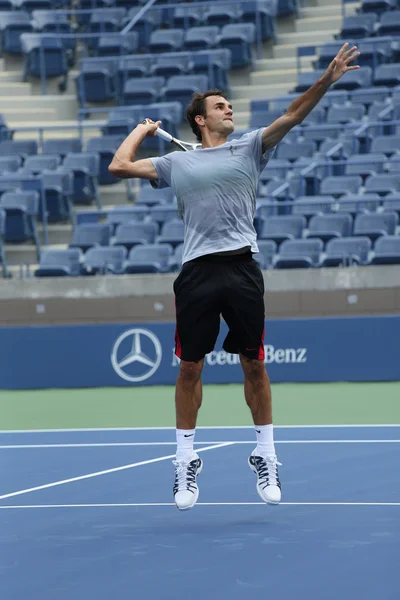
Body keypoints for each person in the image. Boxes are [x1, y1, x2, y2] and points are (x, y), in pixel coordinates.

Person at [109, 42, 360, 511]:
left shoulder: (249, 147)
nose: (229, 110)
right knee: (189, 367)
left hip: (243, 266)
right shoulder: (174, 162)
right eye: (220, 107)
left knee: (254, 364)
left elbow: (292, 115)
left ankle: (264, 452)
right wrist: (142, 130)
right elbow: (119, 165)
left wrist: (326, 80)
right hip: (197, 272)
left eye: (229, 105)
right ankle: (185, 460)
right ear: (200, 120)